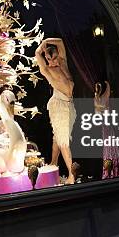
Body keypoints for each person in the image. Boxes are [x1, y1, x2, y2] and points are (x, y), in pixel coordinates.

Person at [35, 38, 76, 184]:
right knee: (63, 140)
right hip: (58, 105)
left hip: (68, 104)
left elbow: (59, 41)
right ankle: (72, 175)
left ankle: (53, 163)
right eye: (48, 58)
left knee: (58, 137)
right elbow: (37, 53)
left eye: (53, 57)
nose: (51, 61)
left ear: (57, 54)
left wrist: (46, 41)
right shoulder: (47, 70)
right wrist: (41, 48)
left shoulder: (63, 63)